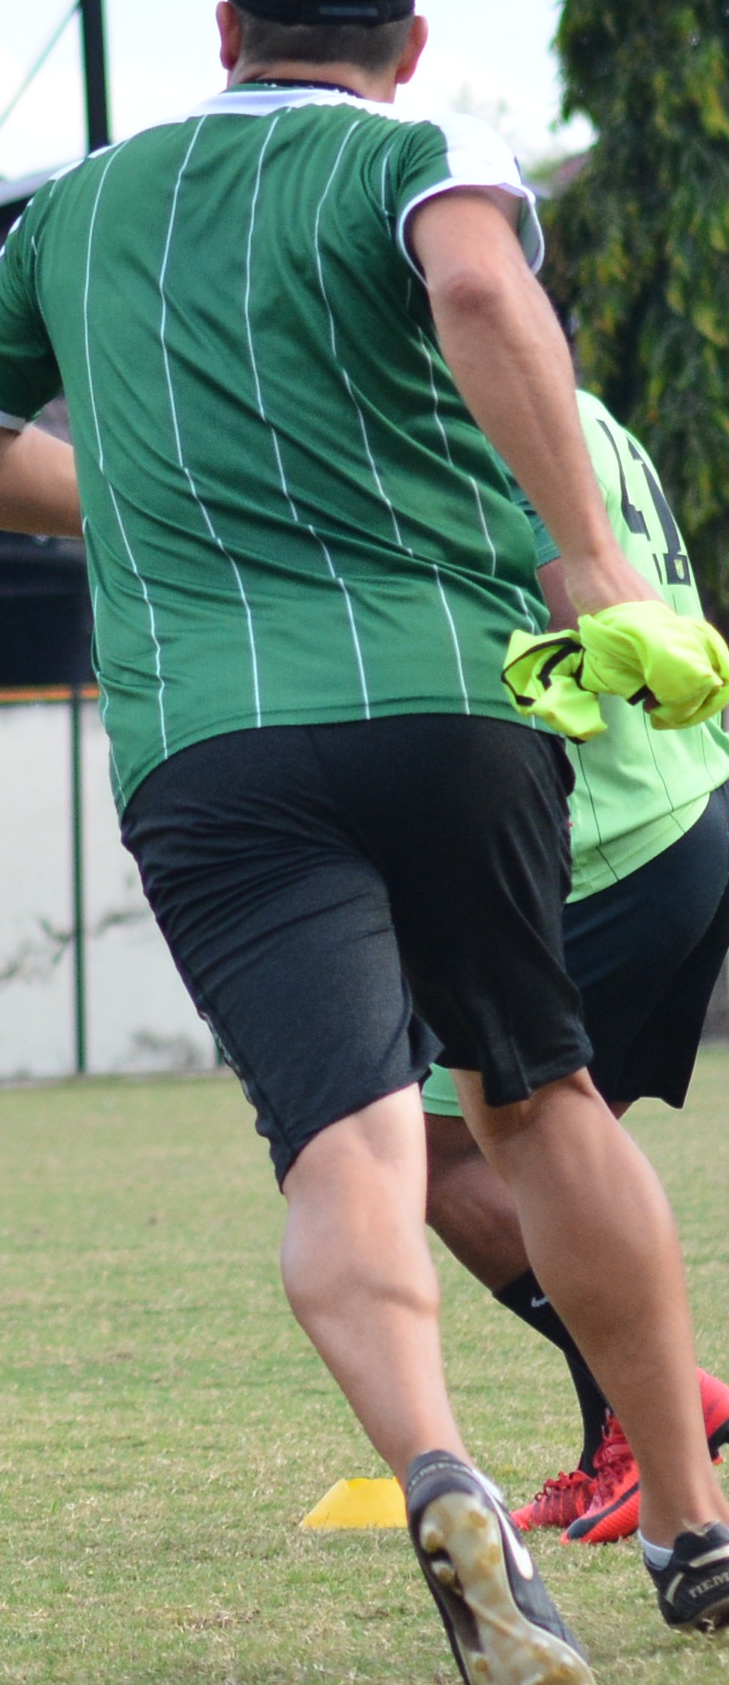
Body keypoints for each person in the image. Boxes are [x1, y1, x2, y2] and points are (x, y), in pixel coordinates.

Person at [0, 1, 729, 1675]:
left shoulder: (79, 205)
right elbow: (483, 285)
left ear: (219, 27)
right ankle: (697, 1531)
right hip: (453, 703)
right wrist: (589, 559)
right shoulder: (420, 153)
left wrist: (151, 500)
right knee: (535, 1095)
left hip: (211, 742)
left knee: (351, 1142)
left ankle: (442, 1474)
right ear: (409, 39)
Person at [425, 392, 729, 1543]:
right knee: (559, 1139)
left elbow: (558, 610)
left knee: (433, 1146)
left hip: (600, 842)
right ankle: (624, 1435)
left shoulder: (472, 407)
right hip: (675, 808)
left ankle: (666, 1412)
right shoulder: (584, 411)